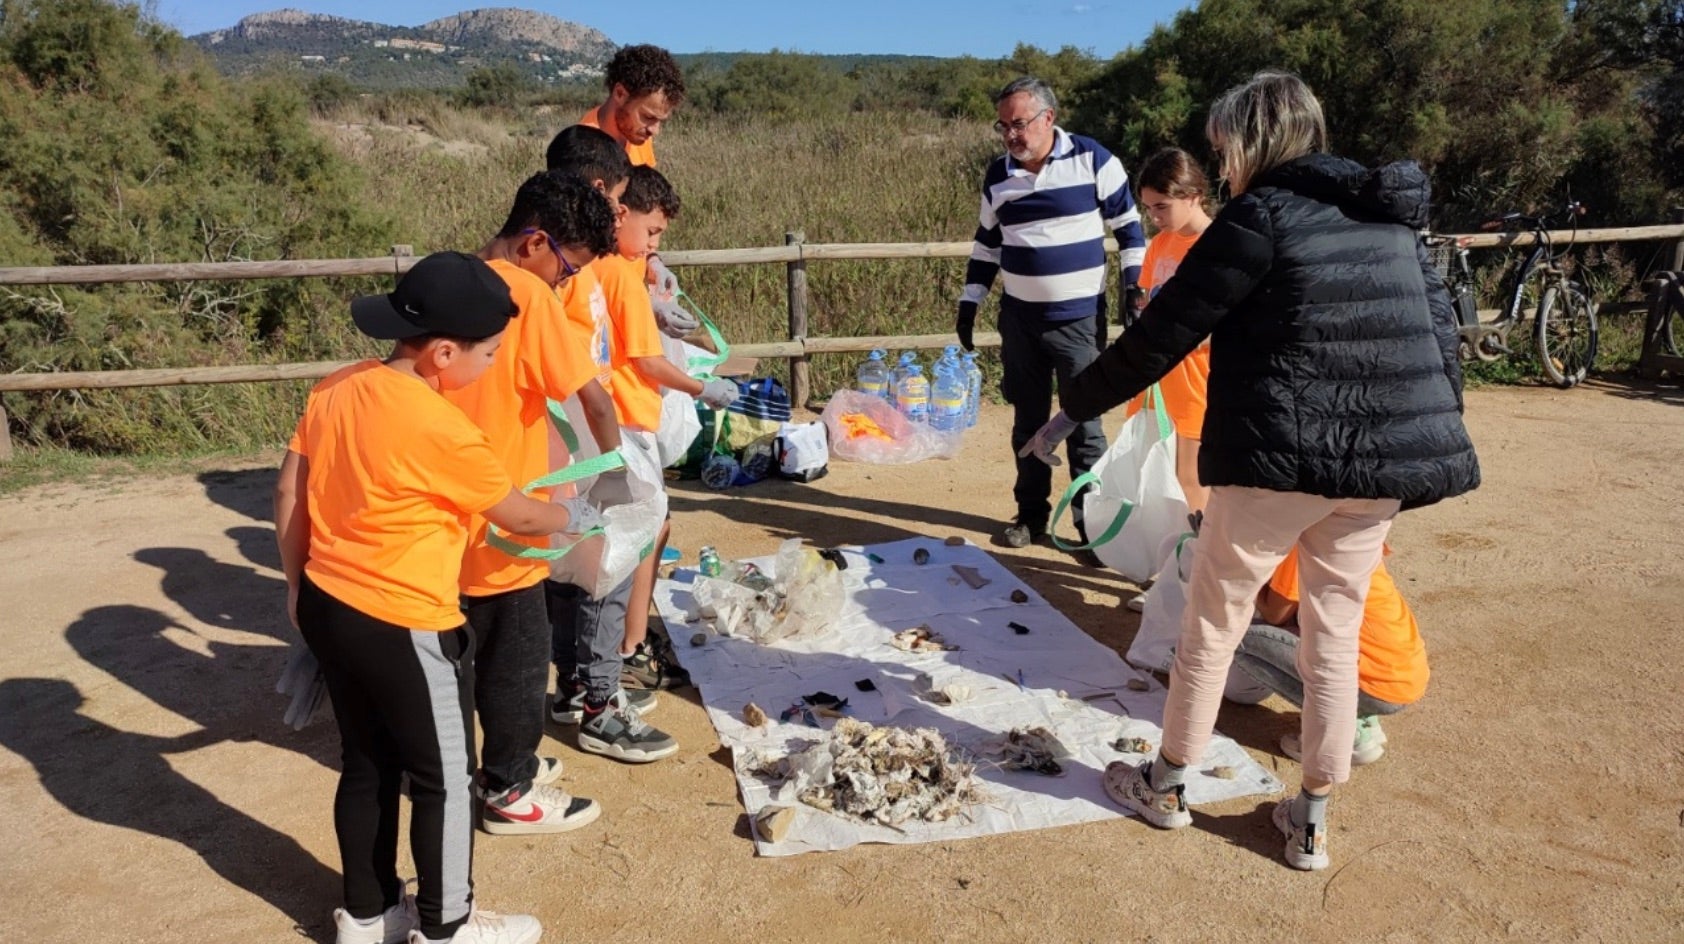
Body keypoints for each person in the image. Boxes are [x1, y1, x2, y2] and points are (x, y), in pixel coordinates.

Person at [1021, 71, 1479, 870]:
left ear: (1254, 143)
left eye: (1225, 148)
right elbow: (1441, 347)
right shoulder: (1390, 222)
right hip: (1378, 475)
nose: (1222, 165)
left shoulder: (1262, 217)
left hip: (1278, 461)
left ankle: (1166, 784)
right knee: (1332, 642)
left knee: (1212, 624)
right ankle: (1309, 819)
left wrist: (1070, 410)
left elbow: (1162, 332)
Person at [273, 252, 602, 944]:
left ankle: (366, 915)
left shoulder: (334, 388)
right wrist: (578, 516)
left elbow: (289, 496)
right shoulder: (442, 428)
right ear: (444, 352)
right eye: (488, 353)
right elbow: (518, 515)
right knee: (446, 777)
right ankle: (446, 925)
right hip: (408, 620)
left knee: (366, 761)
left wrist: (297, 591)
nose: (491, 364)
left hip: (330, 602)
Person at [442, 172, 617, 836]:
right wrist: (613, 478)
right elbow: (593, 398)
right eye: (566, 269)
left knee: (453, 659)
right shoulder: (528, 296)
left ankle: (452, 774)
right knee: (517, 658)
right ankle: (509, 787)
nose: (565, 285)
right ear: (535, 242)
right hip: (507, 523)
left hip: (440, 524)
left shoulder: (446, 280)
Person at [550, 167, 737, 761]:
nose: (654, 245)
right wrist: (705, 389)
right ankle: (601, 699)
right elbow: (631, 363)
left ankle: (576, 684)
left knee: (576, 559)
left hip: (596, 429)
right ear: (612, 202)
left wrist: (654, 282)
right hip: (607, 430)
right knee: (610, 561)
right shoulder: (599, 273)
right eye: (650, 232)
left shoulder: (593, 270)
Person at [955, 76, 1146, 551]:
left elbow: (1129, 227)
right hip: (1020, 320)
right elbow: (987, 243)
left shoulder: (1093, 159)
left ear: (1048, 118)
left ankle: (1092, 528)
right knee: (1027, 421)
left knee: (1084, 425)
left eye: (1018, 124)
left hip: (1079, 320)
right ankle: (1032, 516)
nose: (1010, 136)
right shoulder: (999, 174)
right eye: (1002, 127)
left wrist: (1133, 286)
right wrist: (970, 299)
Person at [1121, 148, 1215, 613]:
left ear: (1193, 195)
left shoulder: (1218, 245)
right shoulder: (1161, 244)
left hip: (1199, 383)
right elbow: (1147, 304)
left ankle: (1202, 582)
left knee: (1192, 482)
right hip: (1158, 381)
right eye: (1148, 207)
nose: (1154, 217)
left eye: (1162, 206)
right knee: (1156, 480)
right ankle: (1167, 579)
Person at [1237, 545, 1429, 765]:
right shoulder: (1351, 530)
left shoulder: (1300, 540)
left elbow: (1275, 613)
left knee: (1231, 635)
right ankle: (1363, 715)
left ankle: (1345, 726)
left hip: (1375, 683)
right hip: (1402, 674)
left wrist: (1245, 578)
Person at [573, 43, 685, 169]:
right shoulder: (582, 151)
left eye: (659, 120)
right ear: (620, 94)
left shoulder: (637, 134)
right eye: (648, 117)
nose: (654, 131)